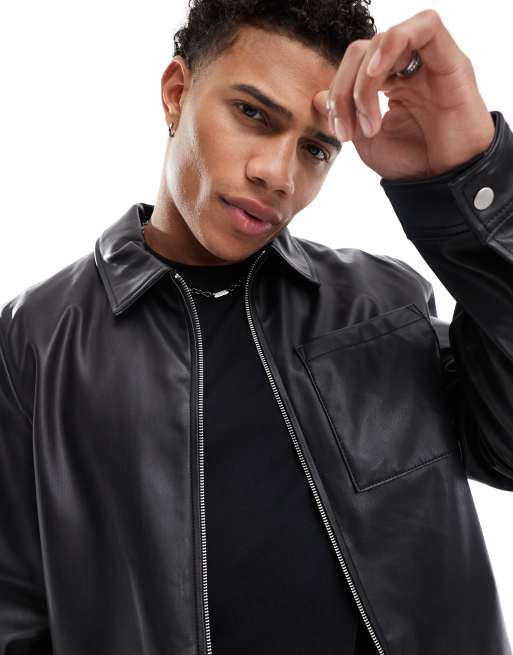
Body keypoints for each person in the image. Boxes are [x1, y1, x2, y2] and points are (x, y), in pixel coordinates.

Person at [1, 0, 512, 653]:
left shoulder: (382, 303)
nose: (277, 174)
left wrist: (468, 178)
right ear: (176, 92)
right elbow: (14, 613)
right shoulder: (39, 339)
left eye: (315, 148)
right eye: (252, 114)